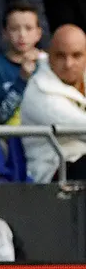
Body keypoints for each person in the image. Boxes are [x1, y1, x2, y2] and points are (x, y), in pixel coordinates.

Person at [20, 25, 86, 183]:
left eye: (76, 55)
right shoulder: (38, 91)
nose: (68, 63)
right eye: (60, 56)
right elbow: (81, 126)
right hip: (53, 173)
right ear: (49, 56)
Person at [0, 1, 44, 125]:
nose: (22, 35)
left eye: (28, 28)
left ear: (38, 34)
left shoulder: (48, 65)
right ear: (4, 33)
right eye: (14, 29)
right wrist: (22, 80)